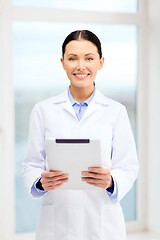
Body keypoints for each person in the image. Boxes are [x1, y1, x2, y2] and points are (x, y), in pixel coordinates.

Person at [23, 30, 139, 240]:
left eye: (89, 58)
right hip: (57, 223)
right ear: (62, 62)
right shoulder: (43, 110)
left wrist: (112, 180)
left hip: (103, 224)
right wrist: (40, 182)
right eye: (72, 58)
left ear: (101, 62)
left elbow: (129, 166)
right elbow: (31, 164)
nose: (80, 66)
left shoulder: (116, 111)